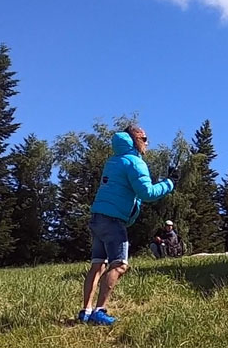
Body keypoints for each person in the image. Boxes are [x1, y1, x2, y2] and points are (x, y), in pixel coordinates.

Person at [79, 125, 174, 326]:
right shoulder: (134, 162)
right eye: (145, 138)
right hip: (113, 221)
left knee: (97, 264)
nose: (148, 143)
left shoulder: (113, 161)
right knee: (119, 265)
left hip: (97, 217)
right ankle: (100, 311)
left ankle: (85, 311)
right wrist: (169, 183)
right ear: (135, 140)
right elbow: (147, 193)